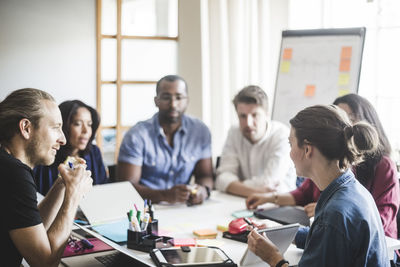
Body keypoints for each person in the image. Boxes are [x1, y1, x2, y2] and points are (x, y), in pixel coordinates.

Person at [247, 104, 389, 266]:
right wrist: (284, 233)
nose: (290, 153)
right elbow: (329, 239)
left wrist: (273, 257)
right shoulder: (352, 190)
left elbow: (330, 231)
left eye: (290, 144)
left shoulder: (334, 214)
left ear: (307, 150)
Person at [0, 88, 93, 266]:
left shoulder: (7, 165)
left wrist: (62, 184)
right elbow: (44, 263)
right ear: (26, 128)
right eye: (56, 128)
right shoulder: (13, 173)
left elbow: (30, 228)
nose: (63, 139)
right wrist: (73, 195)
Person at [117, 75, 213, 205]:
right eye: (166, 97)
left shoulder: (200, 131)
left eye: (179, 97)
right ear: (156, 101)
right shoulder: (136, 135)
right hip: (145, 209)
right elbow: (126, 188)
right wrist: (164, 195)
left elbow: (205, 175)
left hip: (184, 208)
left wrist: (203, 190)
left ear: (187, 100)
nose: (173, 104)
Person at [215, 85, 296, 197]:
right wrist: (254, 192)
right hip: (239, 201)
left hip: (280, 204)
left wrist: (233, 186)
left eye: (255, 115)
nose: (248, 123)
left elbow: (269, 183)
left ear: (267, 115)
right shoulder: (234, 132)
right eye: (242, 116)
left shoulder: (282, 135)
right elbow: (222, 178)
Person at [34, 100, 108, 195]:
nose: (86, 131)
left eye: (89, 124)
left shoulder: (94, 152)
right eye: (78, 124)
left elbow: (103, 188)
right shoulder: (48, 154)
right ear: (63, 126)